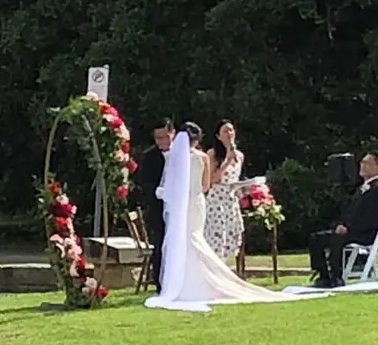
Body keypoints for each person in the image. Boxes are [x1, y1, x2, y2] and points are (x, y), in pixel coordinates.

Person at [144, 122, 329, 312]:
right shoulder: (202, 157)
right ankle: (207, 279)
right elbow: (205, 186)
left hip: (180, 206)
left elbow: (169, 184)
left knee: (185, 241)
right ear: (197, 140)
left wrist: (167, 194)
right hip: (197, 203)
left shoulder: (174, 158)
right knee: (195, 239)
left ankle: (187, 282)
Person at [308, 151, 378, 288]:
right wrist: (342, 224)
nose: (362, 166)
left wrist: (349, 228)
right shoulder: (362, 188)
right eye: (362, 163)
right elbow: (350, 213)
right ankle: (323, 275)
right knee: (316, 238)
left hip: (366, 233)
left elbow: (371, 218)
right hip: (353, 231)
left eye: (367, 163)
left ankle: (336, 276)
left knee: (338, 238)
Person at [137, 118, 175, 293]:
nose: (161, 141)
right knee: (160, 244)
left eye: (164, 137)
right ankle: (160, 283)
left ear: (172, 134)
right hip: (157, 208)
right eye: (157, 138)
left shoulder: (183, 154)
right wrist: (158, 191)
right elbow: (144, 183)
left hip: (179, 207)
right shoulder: (149, 156)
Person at [204, 119, 245, 258]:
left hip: (231, 199)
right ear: (218, 136)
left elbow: (235, 179)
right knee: (217, 235)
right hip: (217, 200)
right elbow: (211, 180)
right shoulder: (212, 154)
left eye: (231, 130)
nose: (229, 133)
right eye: (225, 131)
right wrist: (227, 161)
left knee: (231, 234)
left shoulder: (239, 156)